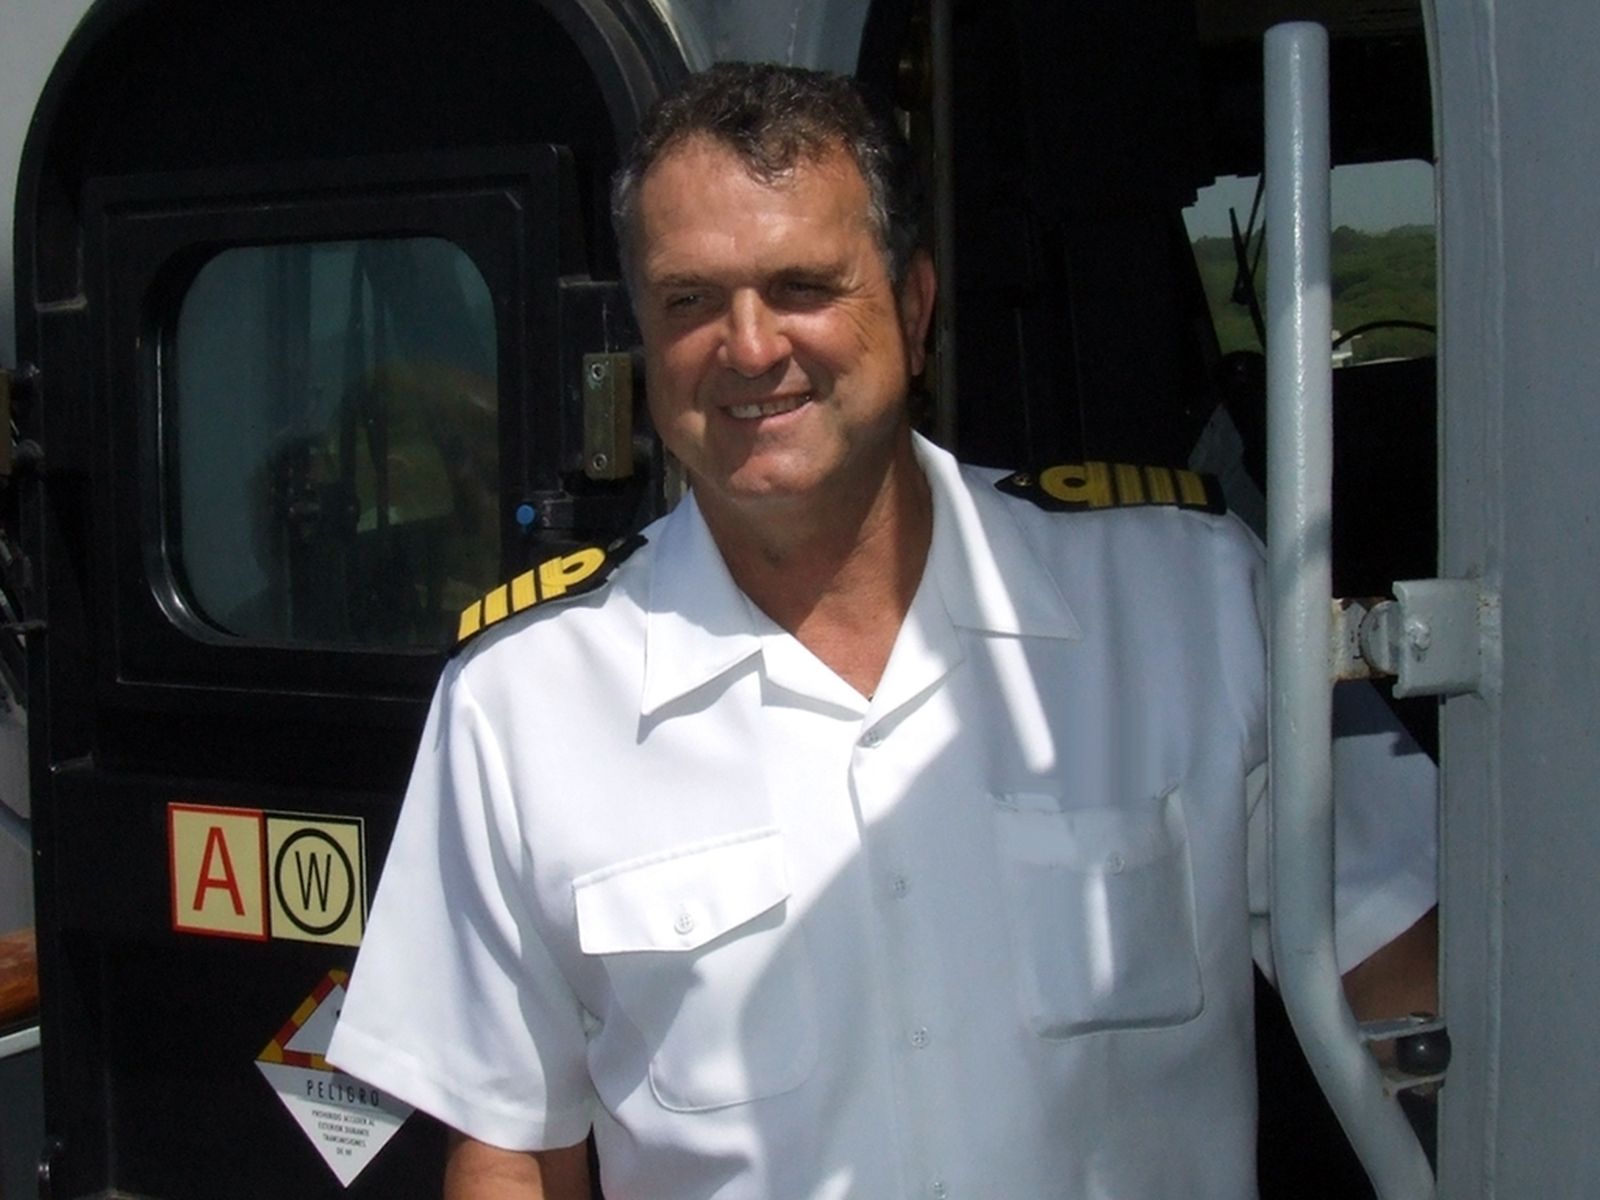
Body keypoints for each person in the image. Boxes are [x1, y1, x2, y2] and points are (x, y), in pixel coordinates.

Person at [328, 62, 1438, 1199]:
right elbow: (511, 1147)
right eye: (689, 300)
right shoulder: (524, 700)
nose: (750, 346)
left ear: (911, 311)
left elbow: (1414, 989)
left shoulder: (1189, 602)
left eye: (803, 285)